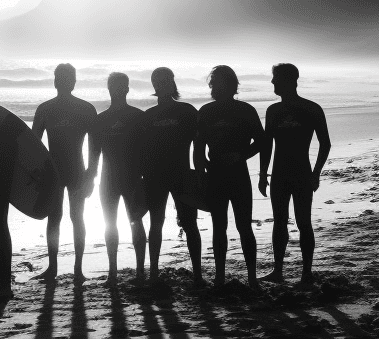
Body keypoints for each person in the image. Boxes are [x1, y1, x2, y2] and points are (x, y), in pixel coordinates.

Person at [258, 64, 331, 286]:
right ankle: (277, 271)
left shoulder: (311, 109)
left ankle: (306, 273)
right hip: (279, 174)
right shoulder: (273, 111)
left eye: (276, 78)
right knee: (279, 221)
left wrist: (316, 173)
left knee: (303, 222)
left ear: (289, 80)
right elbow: (266, 145)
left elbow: (325, 143)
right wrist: (263, 174)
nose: (272, 83)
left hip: (301, 173)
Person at [194, 65, 263, 289]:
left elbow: (262, 141)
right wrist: (201, 172)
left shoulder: (245, 110)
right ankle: (220, 277)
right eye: (212, 83)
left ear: (231, 85)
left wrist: (241, 155)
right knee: (218, 226)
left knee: (244, 226)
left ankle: (252, 278)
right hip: (215, 175)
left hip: (238, 174)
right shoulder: (205, 111)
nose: (213, 86)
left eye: (217, 82)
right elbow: (198, 148)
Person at [31, 63, 98, 281]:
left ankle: (78, 269)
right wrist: (36, 172)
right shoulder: (45, 109)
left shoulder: (85, 109)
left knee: (76, 217)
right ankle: (53, 268)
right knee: (55, 217)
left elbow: (95, 145)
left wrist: (91, 173)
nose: (62, 81)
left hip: (76, 170)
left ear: (73, 82)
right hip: (55, 171)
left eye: (65, 78)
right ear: (55, 81)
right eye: (60, 77)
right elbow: (34, 145)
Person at [143, 67, 202, 285]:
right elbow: (144, 151)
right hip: (155, 177)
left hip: (182, 174)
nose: (161, 84)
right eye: (157, 81)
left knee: (190, 223)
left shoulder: (187, 111)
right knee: (155, 222)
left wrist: (200, 172)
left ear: (172, 82)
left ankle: (197, 274)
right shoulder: (148, 116)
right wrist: (142, 176)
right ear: (153, 85)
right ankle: (154, 273)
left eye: (166, 80)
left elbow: (198, 145)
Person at [89, 72, 148, 281]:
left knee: (136, 221)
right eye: (114, 85)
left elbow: (146, 150)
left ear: (128, 88)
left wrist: (146, 176)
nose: (117, 89)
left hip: (133, 177)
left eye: (121, 85)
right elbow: (94, 151)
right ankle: (112, 270)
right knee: (109, 223)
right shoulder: (100, 119)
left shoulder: (138, 117)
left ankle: (141, 270)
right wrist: (90, 175)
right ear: (108, 88)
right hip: (108, 179)